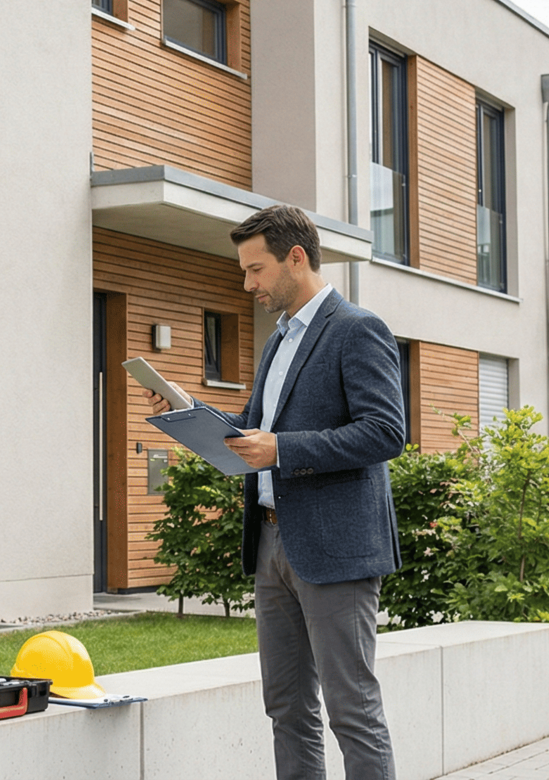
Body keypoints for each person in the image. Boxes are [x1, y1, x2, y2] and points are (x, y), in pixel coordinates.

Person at [144, 204, 407, 780]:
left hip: (335, 550)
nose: (249, 284)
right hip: (270, 545)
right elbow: (252, 428)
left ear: (296, 258)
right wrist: (189, 413)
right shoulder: (278, 341)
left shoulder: (357, 330)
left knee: (351, 709)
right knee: (287, 706)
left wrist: (283, 449)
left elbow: (386, 431)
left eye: (255, 270)